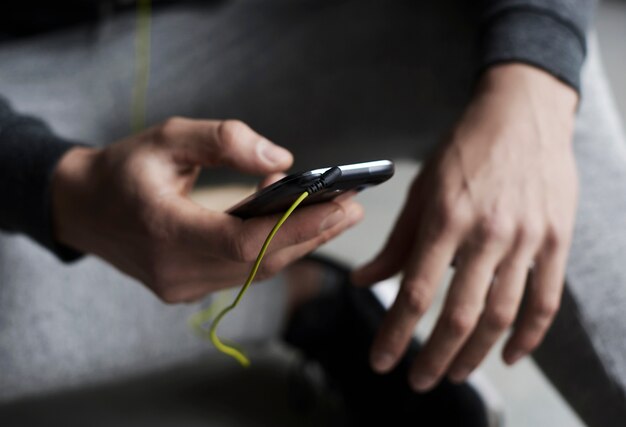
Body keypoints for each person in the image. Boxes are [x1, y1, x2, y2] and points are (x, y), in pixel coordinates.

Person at [1, 0, 625, 425]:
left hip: (294, 22)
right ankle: (302, 294)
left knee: (521, 57)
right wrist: (56, 187)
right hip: (21, 73)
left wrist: (534, 88)